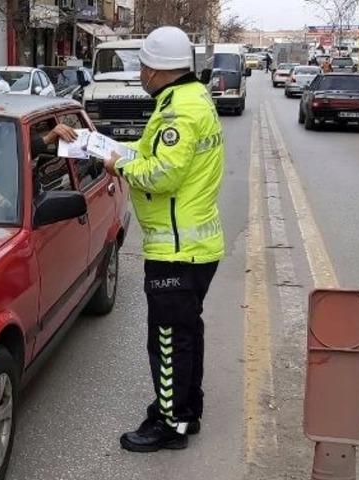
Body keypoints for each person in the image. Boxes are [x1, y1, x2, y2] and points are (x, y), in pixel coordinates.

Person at [95, 25, 223, 452]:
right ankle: (188, 412)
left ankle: (170, 424)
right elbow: (157, 158)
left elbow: (161, 174)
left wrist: (118, 167)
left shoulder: (177, 113)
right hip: (192, 245)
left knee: (168, 339)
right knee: (187, 332)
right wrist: (105, 148)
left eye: (144, 66)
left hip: (176, 249)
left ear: (158, 69)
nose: (142, 74)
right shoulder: (190, 98)